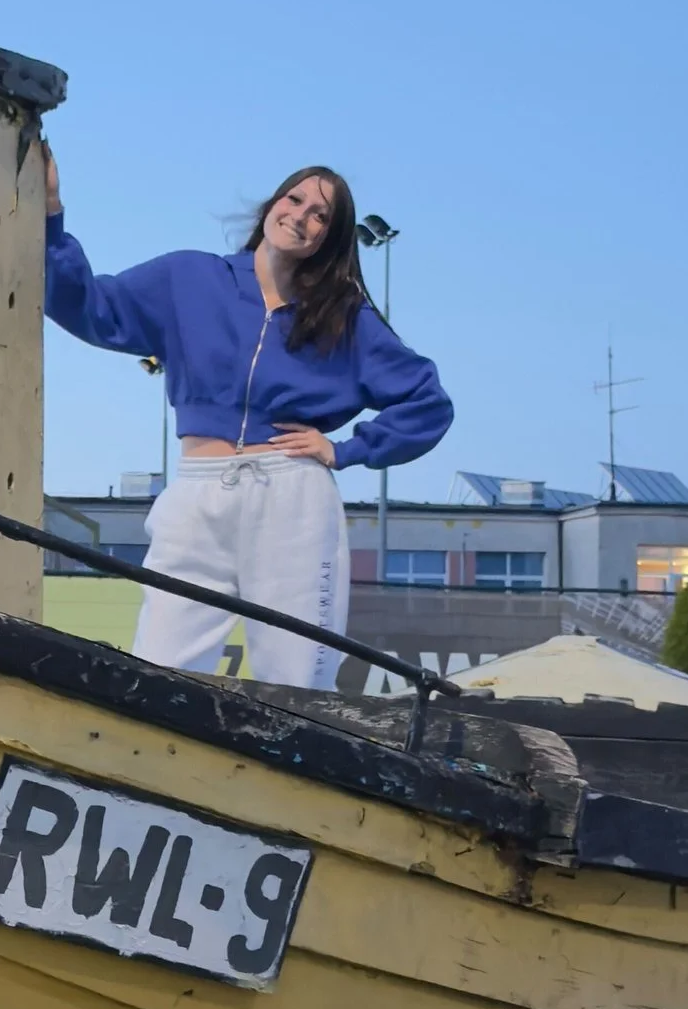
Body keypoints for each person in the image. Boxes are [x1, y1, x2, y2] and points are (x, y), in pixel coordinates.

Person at [42, 155, 451, 689]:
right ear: (271, 207)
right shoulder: (189, 277)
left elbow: (428, 401)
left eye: (321, 216)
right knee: (160, 674)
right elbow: (87, 305)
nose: (302, 216)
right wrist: (51, 213)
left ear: (331, 239)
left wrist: (346, 450)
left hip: (291, 499)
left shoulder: (342, 315)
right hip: (197, 494)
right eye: (295, 199)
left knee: (298, 681)